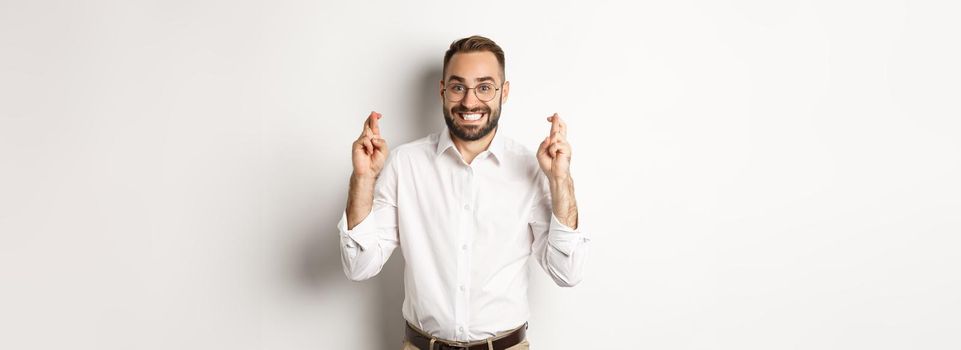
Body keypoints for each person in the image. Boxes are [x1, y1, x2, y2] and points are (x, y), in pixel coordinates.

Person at [337, 35, 591, 350]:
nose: (470, 102)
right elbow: (360, 267)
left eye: (484, 87)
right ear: (443, 90)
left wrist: (560, 181)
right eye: (458, 87)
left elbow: (567, 273)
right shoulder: (406, 164)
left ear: (504, 92)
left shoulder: (532, 168)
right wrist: (363, 178)